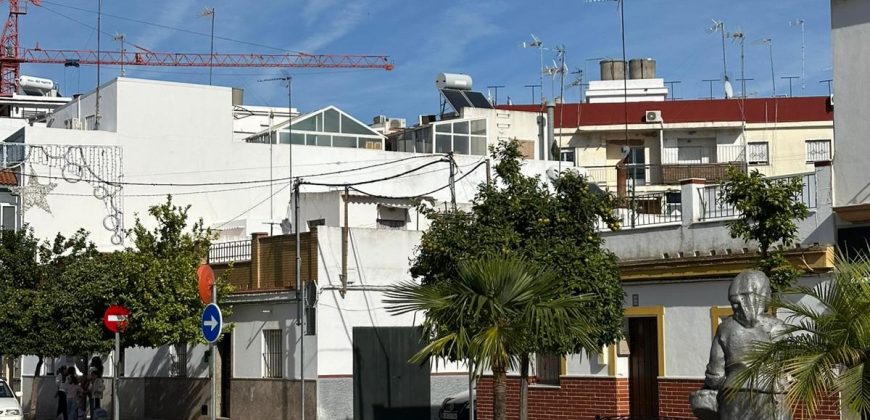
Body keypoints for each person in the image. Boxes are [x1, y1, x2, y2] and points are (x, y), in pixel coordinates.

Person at [702, 270, 788, 420]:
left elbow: (715, 375)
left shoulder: (725, 328)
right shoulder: (777, 327)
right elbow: (789, 365)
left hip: (733, 395)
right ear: (762, 295)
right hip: (771, 394)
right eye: (768, 292)